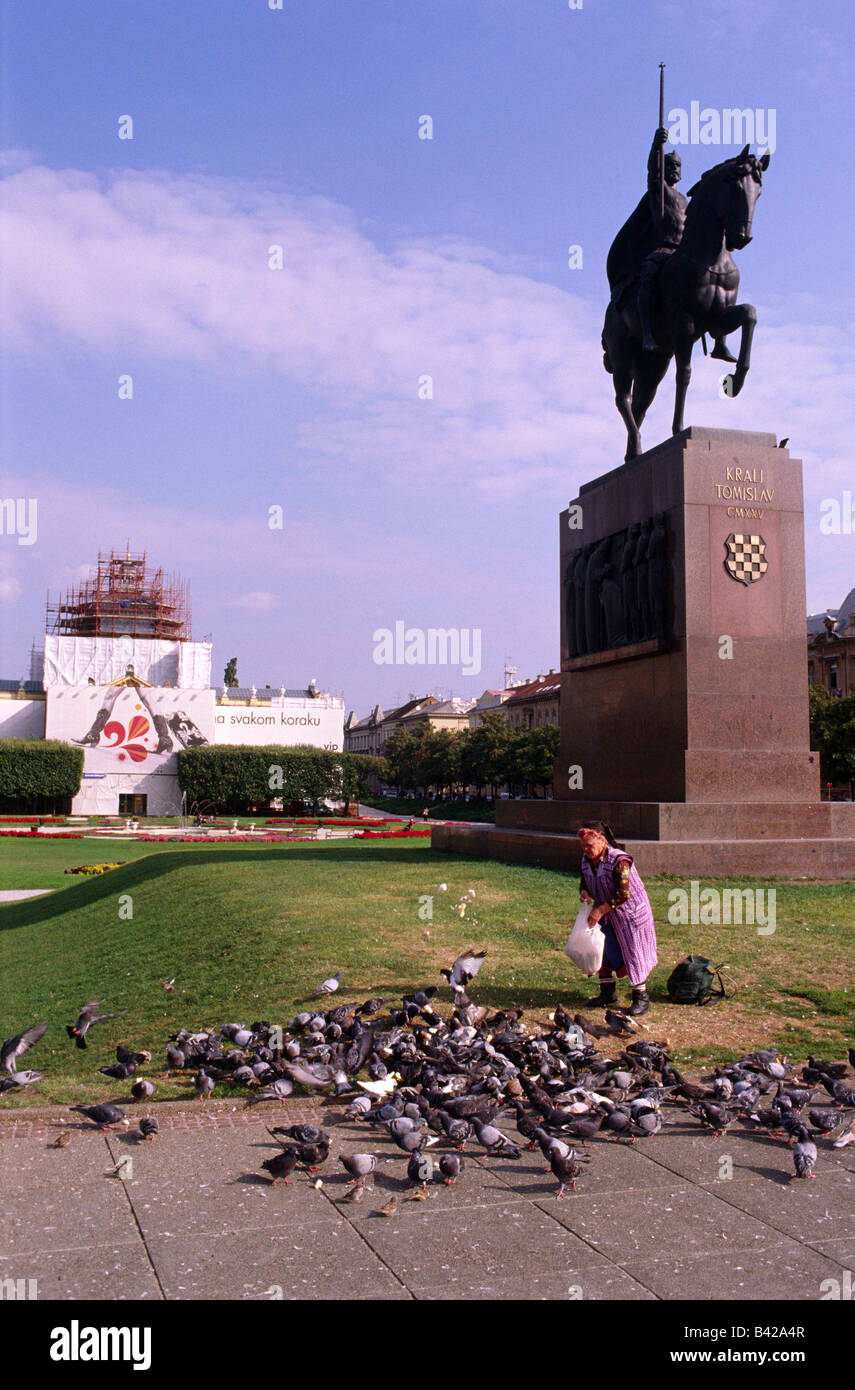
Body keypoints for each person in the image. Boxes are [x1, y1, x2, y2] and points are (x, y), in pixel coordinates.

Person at [577, 820, 658, 1017]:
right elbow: (583, 882)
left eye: (590, 845)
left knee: (633, 951)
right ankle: (607, 993)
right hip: (606, 914)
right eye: (583, 846)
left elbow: (623, 894)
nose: (586, 849)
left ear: (602, 841)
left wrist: (600, 910)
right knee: (602, 949)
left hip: (630, 914)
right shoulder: (587, 860)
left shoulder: (620, 861)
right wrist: (585, 892)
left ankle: (641, 996)